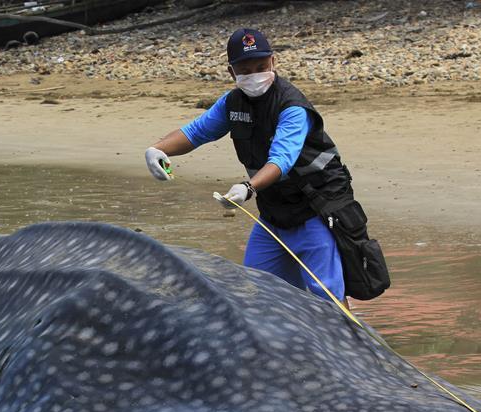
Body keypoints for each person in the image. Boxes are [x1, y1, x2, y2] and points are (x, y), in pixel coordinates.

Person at [144, 28, 355, 303]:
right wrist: (157, 149)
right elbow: (196, 132)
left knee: (326, 301)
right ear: (232, 73)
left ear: (273, 63)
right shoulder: (232, 103)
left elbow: (282, 159)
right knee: (255, 295)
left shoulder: (292, 107)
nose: (254, 75)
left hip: (315, 210)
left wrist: (248, 188)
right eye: (245, 69)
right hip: (273, 214)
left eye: (261, 66)